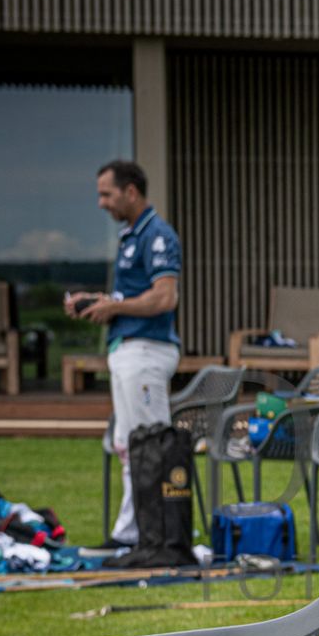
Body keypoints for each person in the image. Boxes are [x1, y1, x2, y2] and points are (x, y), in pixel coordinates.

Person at [67, 160, 183, 548]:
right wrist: (99, 303)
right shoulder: (131, 235)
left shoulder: (157, 235)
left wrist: (115, 307)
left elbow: (165, 297)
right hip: (127, 350)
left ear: (130, 191)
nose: (101, 203)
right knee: (128, 447)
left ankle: (162, 535)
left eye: (106, 194)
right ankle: (132, 533)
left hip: (146, 352)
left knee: (150, 446)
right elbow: (133, 296)